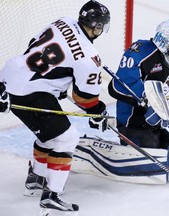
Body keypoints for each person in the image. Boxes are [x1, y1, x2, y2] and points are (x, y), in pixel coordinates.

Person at [0, 0, 110, 214]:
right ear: (97, 26)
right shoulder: (89, 57)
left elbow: (34, 45)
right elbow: (85, 99)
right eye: (101, 27)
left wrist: (54, 80)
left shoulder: (64, 21)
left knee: (51, 134)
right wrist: (98, 112)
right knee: (68, 138)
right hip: (28, 93)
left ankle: (36, 179)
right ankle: (52, 194)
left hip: (10, 75)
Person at [108, 18, 169, 149]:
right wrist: (151, 102)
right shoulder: (140, 52)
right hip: (135, 120)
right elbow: (118, 86)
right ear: (162, 40)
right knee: (150, 144)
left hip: (168, 119)